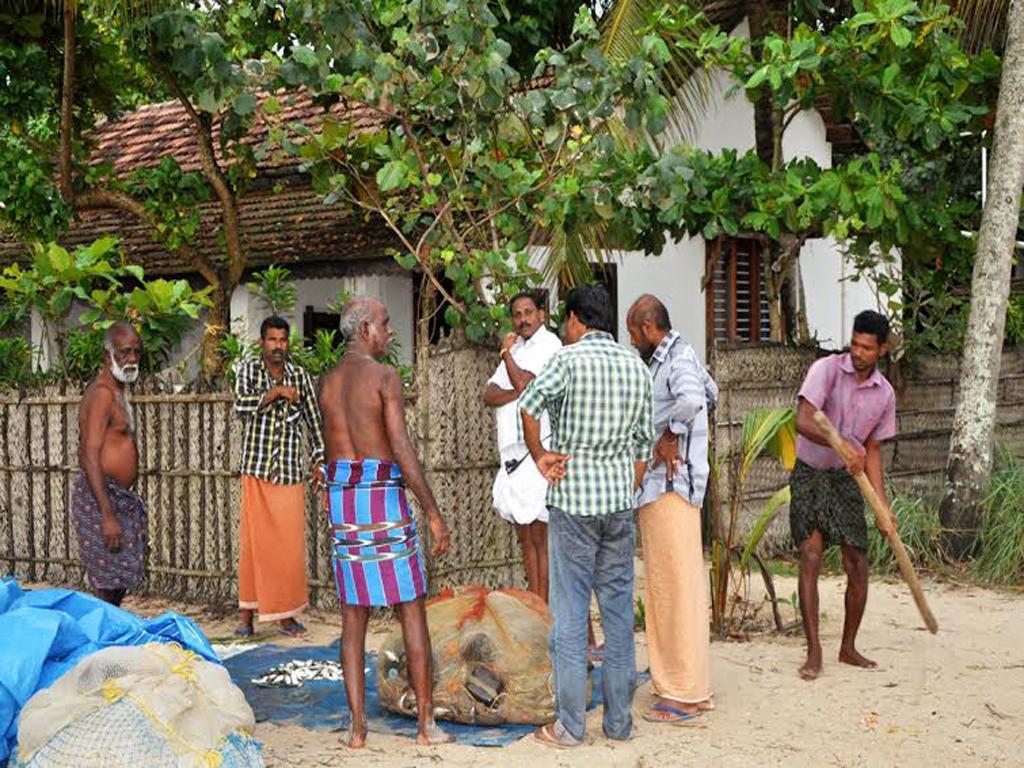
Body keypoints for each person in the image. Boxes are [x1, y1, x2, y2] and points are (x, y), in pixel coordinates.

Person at [519, 285, 654, 749]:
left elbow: (528, 406)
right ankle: (619, 724)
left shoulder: (567, 360)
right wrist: (627, 484)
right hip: (618, 504)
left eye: (565, 321)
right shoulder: (636, 365)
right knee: (618, 617)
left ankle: (571, 728)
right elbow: (644, 444)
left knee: (571, 615)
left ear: (576, 318)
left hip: (574, 503)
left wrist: (541, 456)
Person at [319, 296, 452, 749]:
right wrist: (433, 512)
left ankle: (357, 732)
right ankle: (425, 727)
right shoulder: (384, 378)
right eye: (385, 322)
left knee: (352, 617)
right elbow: (401, 449)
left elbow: (329, 453)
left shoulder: (327, 382)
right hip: (381, 496)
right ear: (364, 331)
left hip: (343, 499)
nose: (389, 331)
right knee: (411, 607)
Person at [791, 309, 897, 680]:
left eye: (867, 347)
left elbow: (873, 451)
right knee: (811, 554)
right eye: (854, 343)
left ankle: (848, 647)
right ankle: (814, 650)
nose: (858, 352)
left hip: (845, 482)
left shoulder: (885, 394)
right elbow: (803, 420)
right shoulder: (827, 370)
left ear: (882, 349)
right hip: (809, 474)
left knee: (858, 563)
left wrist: (882, 507)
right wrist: (838, 443)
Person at [627, 294, 716, 722]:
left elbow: (695, 399)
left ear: (648, 328)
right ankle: (677, 683)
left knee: (675, 591)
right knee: (668, 589)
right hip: (664, 488)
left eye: (632, 332)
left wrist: (670, 434)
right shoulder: (676, 356)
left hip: (671, 487)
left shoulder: (677, 355)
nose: (631, 341)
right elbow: (711, 391)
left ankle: (684, 693)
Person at [233, 316, 325, 639]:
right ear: (262, 343)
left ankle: (286, 618)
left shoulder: (301, 376)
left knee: (287, 550)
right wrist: (274, 393)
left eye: (283, 340)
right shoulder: (247, 371)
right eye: (272, 340)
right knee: (252, 548)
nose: (278, 346)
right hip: (256, 472)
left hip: (288, 473)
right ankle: (246, 618)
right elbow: (240, 408)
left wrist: (318, 461)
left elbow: (315, 423)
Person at [482, 290, 562, 600]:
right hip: (513, 457)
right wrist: (518, 388)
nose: (523, 319)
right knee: (526, 539)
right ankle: (536, 606)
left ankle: (545, 612)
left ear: (542, 314)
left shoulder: (550, 344)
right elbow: (489, 394)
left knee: (541, 540)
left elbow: (526, 384)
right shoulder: (518, 347)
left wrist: (506, 356)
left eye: (529, 312)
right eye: (517, 314)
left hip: (537, 452)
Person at [74, 322, 147, 607]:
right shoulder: (102, 393)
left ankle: (106, 643)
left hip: (118, 496)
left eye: (136, 353)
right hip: (100, 497)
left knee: (118, 581)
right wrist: (107, 514)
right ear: (108, 356)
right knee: (106, 584)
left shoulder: (118, 390)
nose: (131, 359)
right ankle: (99, 645)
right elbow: (89, 454)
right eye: (124, 352)